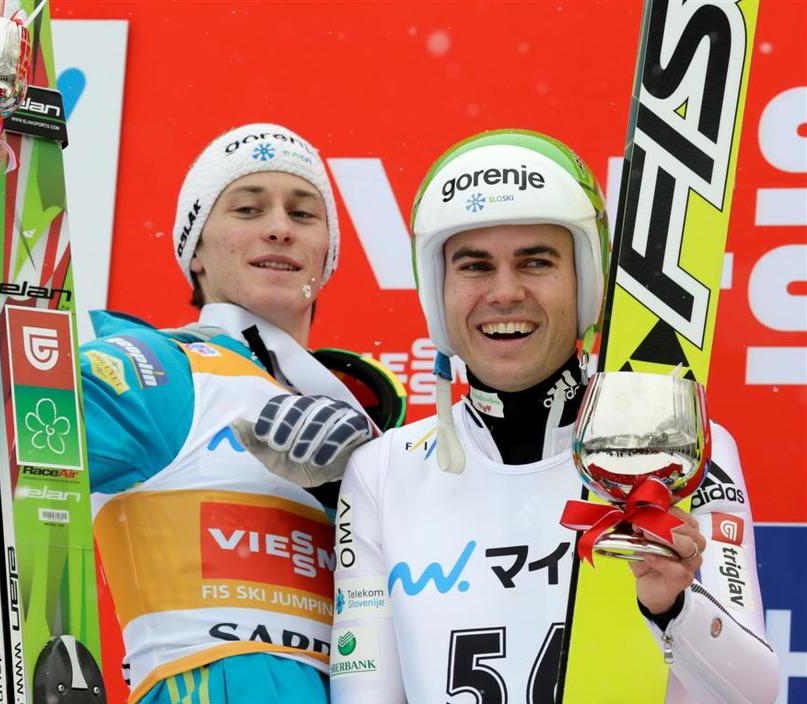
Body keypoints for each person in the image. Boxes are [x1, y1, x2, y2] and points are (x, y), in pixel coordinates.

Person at [0, 74, 400, 704]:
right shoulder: (162, 374)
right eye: (247, 208)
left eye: (303, 213)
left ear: (327, 252)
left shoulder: (373, 425)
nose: (280, 228)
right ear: (195, 249)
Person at [323, 130, 779, 703]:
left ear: (585, 283)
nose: (504, 292)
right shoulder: (383, 471)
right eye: (474, 266)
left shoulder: (678, 449)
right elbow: (365, 692)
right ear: (438, 293)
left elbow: (757, 693)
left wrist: (675, 607)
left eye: (536, 262)